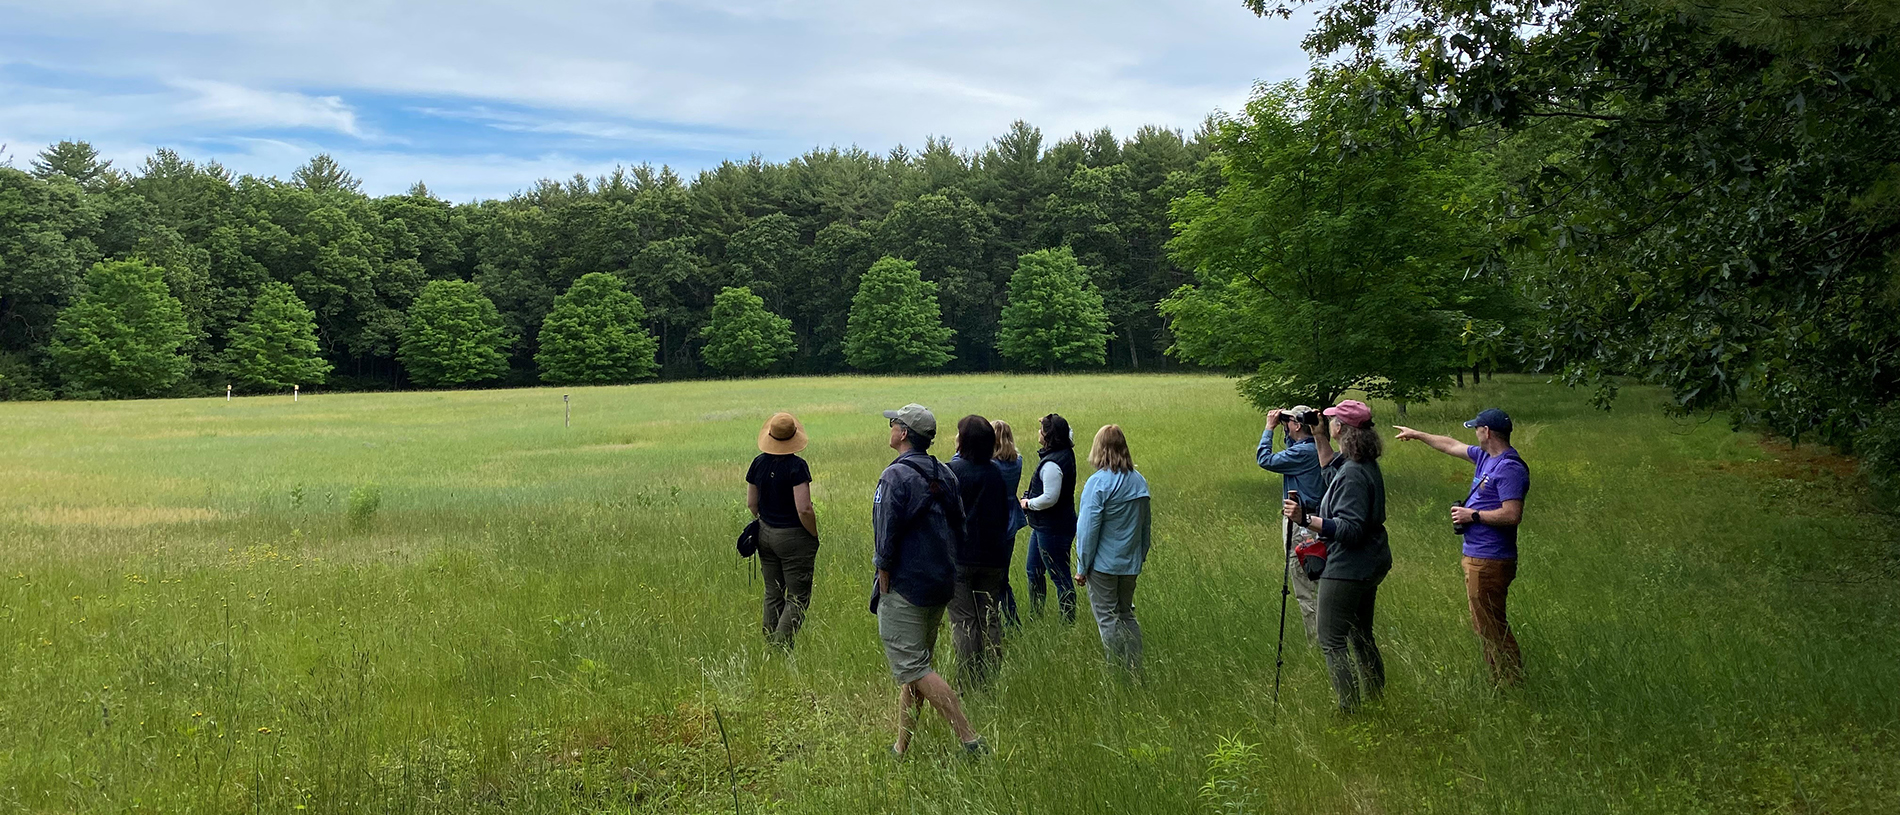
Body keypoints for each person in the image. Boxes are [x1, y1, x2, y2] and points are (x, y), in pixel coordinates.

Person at [872, 403, 985, 757]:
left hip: (905, 587)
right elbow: (961, 527)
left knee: (916, 668)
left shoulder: (894, 477)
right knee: (916, 669)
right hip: (941, 583)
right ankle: (901, 747)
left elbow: (885, 536)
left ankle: (970, 740)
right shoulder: (946, 473)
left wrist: (884, 576)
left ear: (904, 433)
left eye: (894, 423)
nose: (890, 427)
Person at [1394, 408, 1529, 685]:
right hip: (1476, 555)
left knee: (1492, 626)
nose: (1474, 433)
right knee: (1484, 625)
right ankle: (1500, 678)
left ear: (1487, 432)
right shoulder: (1485, 458)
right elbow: (1450, 444)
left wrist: (1474, 515)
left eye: (1476, 428)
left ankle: (1511, 682)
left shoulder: (1509, 467)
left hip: (1491, 558)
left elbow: (1512, 514)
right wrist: (1418, 435)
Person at [1283, 399, 1391, 712]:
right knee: (1360, 634)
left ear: (1340, 428)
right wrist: (1319, 437)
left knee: (1331, 638)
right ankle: (1375, 698)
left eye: (1330, 420)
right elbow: (1331, 472)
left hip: (1348, 565)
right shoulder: (1360, 462)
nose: (1327, 422)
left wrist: (1306, 519)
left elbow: (1350, 528)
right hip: (1370, 560)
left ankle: (1350, 710)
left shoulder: (1355, 473)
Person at [1074, 424, 1152, 675]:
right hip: (1130, 564)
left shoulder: (1097, 484)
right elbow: (1145, 526)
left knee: (1108, 618)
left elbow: (1087, 530)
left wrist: (1082, 567)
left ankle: (1116, 671)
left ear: (1099, 448)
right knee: (1126, 614)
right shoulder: (1139, 482)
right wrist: (1140, 556)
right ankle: (1134, 668)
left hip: (1103, 566)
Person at [947, 415, 1014, 686]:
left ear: (963, 441)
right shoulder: (996, 473)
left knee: (964, 621)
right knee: (990, 617)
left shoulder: (953, 471)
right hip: (993, 557)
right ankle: (991, 677)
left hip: (961, 557)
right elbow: (1002, 515)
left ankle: (969, 679)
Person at [746, 412, 818, 649]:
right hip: (793, 536)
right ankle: (780, 646)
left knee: (773, 592)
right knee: (797, 597)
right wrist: (813, 535)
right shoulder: (797, 467)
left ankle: (770, 644)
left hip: (765, 534)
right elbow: (804, 509)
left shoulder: (758, 462)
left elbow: (751, 504)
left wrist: (766, 521)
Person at [1258, 405, 1326, 641]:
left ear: (1297, 425)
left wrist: (1269, 428)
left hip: (1301, 526)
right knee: (1317, 584)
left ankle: (1317, 641)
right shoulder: (1315, 448)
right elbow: (1292, 446)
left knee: (1305, 588)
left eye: (1288, 423)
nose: (1284, 426)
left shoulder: (1302, 454)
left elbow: (1264, 459)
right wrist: (1288, 427)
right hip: (1316, 522)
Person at [1020, 413, 1079, 623]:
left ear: (1047, 436)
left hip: (1053, 527)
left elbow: (1049, 498)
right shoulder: (1064, 452)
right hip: (1045, 526)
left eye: (1042, 429)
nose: (1039, 432)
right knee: (1033, 570)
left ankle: (1068, 622)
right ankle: (1036, 617)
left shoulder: (1052, 464)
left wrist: (1028, 503)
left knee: (1060, 576)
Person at [991, 420, 1027, 627]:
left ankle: (1010, 621)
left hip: (996, 520)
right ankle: (1012, 620)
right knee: (1003, 575)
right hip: (1012, 517)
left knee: (998, 579)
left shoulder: (992, 466)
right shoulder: (1017, 461)